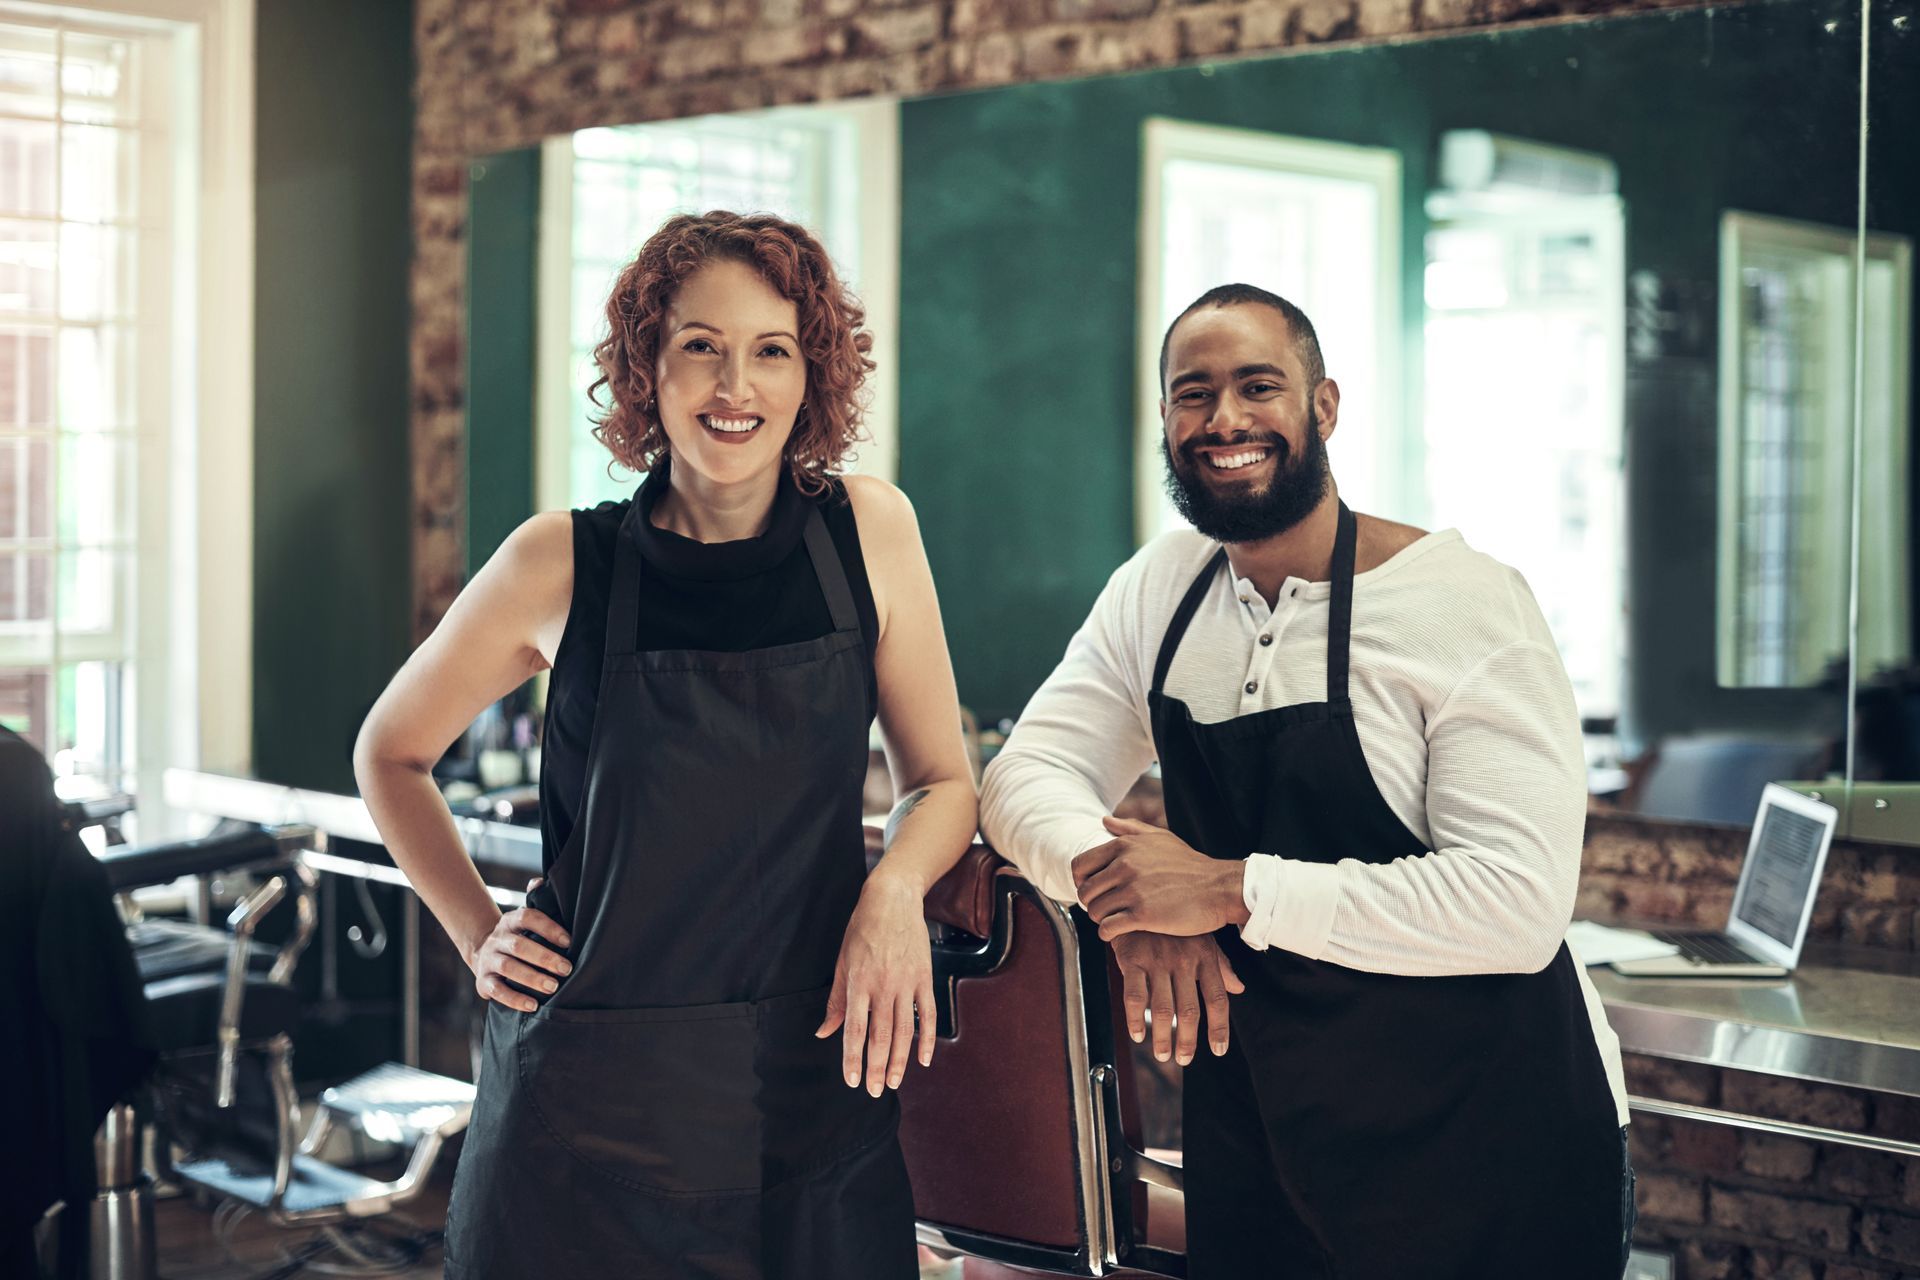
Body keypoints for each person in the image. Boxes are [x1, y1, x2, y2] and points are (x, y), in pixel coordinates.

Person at [355, 211, 976, 1279]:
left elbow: (943, 781)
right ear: (648, 367)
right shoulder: (560, 561)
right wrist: (475, 928)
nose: (735, 386)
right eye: (701, 345)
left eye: (771, 350)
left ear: (811, 372)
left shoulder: (868, 531)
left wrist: (893, 891)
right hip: (582, 1118)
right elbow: (389, 751)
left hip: (807, 1092)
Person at [980, 284, 1633, 1278]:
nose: (1226, 419)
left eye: (1258, 386)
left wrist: (1229, 886)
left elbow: (1517, 901)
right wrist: (1130, 897)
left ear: (1323, 406)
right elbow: (1027, 769)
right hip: (1263, 1131)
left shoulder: (1462, 603)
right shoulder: (1162, 588)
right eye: (1193, 393)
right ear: (1164, 419)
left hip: (1489, 1140)